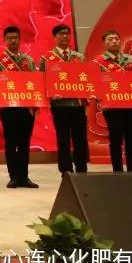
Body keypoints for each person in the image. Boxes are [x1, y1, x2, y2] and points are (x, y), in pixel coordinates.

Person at [0, 26, 38, 188]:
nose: (13, 41)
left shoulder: (28, 60)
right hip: (8, 107)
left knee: (25, 142)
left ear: (19, 39)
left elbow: (34, 83)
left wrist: (35, 105)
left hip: (26, 107)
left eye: (15, 38)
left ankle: (24, 176)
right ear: (5, 41)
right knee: (11, 142)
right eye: (9, 38)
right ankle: (13, 176)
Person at [40, 24, 89, 175]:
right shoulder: (47, 59)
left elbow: (86, 79)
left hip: (78, 104)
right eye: (61, 34)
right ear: (54, 37)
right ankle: (66, 170)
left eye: (67, 33)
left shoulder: (79, 57)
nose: (65, 36)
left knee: (80, 138)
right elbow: (42, 82)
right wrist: (50, 93)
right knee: (63, 139)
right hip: (59, 105)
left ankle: (81, 169)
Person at [93, 30, 132, 172]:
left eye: (116, 38)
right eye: (110, 39)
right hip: (112, 107)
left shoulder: (131, 60)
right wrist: (102, 101)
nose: (114, 41)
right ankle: (117, 171)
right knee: (115, 140)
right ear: (104, 43)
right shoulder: (98, 62)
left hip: (131, 105)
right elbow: (95, 85)